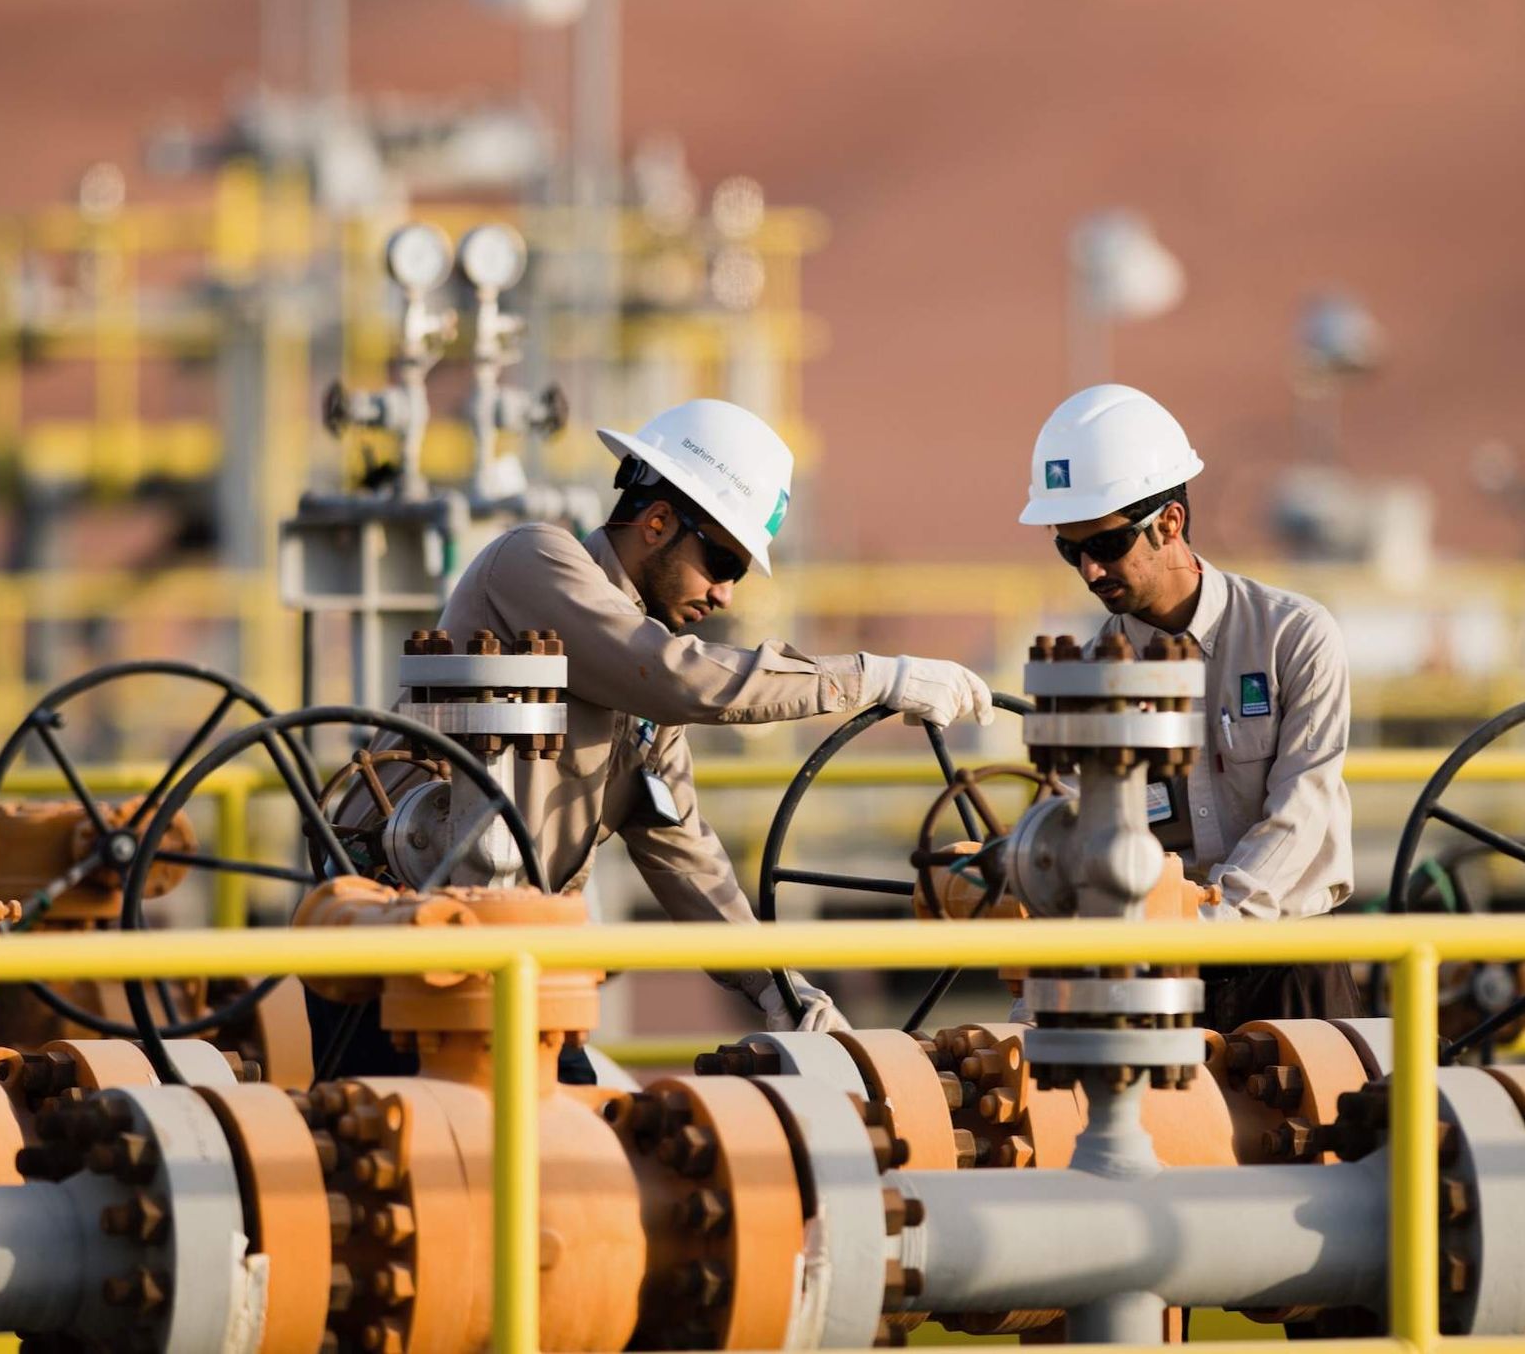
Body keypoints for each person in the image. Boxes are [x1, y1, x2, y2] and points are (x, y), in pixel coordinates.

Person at [379, 398, 993, 1035]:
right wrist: (871, 678)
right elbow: (676, 676)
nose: (725, 593)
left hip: (511, 965)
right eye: (723, 563)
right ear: (657, 521)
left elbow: (684, 855)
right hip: (402, 946)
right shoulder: (534, 561)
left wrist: (779, 987)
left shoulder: (645, 700)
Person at [1019, 384, 1357, 1028]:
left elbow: (1303, 806)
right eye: (1069, 549)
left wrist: (1213, 920)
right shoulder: (1087, 678)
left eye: (1106, 546)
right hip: (1157, 973)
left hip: (1292, 962)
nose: (1089, 570)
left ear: (1169, 523)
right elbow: (1069, 835)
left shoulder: (1293, 636)